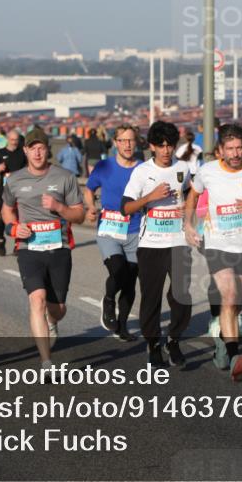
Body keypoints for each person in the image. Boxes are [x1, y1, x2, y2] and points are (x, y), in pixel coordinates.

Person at [185, 124, 242, 381]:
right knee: (229, 294)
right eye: (230, 149)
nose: (236, 154)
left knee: (236, 302)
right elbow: (193, 196)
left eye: (239, 148)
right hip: (216, 243)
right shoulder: (208, 171)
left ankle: (223, 345)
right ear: (221, 150)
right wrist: (188, 225)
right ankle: (235, 354)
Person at [1, 128, 85, 373]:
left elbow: (79, 215)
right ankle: (46, 362)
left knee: (57, 309)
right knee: (36, 299)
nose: (37, 152)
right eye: (32, 148)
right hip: (29, 248)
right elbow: (6, 210)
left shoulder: (65, 177)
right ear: (25, 150)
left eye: (41, 147)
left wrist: (59, 206)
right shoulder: (14, 179)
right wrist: (13, 228)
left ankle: (52, 320)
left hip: (59, 248)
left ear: (48, 149)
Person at [122, 120, 192, 367]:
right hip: (151, 243)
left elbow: (195, 193)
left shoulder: (184, 167)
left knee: (181, 295)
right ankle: (153, 344)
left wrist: (190, 211)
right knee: (151, 297)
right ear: (152, 146)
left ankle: (173, 340)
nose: (166, 151)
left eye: (170, 145)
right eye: (160, 145)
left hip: (179, 241)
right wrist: (151, 197)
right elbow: (126, 207)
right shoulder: (142, 171)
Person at [84, 124, 142, 342]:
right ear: (115, 143)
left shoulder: (144, 168)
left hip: (135, 229)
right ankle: (108, 300)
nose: (127, 145)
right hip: (109, 227)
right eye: (122, 140)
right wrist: (91, 207)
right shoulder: (104, 166)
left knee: (130, 280)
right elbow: (89, 189)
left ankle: (123, 327)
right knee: (118, 269)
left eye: (131, 140)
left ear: (136, 142)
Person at [0, 130, 27, 256]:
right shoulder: (0, 153)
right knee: (3, 216)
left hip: (19, 190)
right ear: (7, 139)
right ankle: (1, 240)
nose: (14, 142)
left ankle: (17, 243)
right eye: (12, 140)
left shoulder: (22, 153)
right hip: (4, 191)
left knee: (19, 216)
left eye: (16, 140)